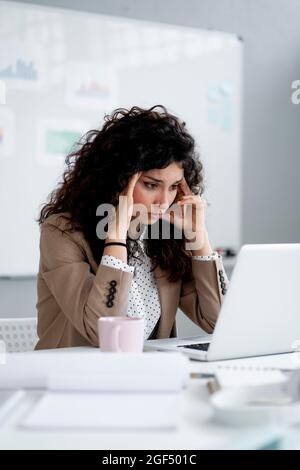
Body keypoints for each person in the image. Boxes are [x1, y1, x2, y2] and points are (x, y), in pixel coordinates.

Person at [35, 105, 229, 350]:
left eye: (173, 187)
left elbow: (221, 323)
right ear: (117, 179)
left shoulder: (164, 234)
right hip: (76, 378)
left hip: (146, 377)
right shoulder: (62, 232)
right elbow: (101, 331)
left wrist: (200, 240)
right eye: (150, 185)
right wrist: (116, 237)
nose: (163, 201)